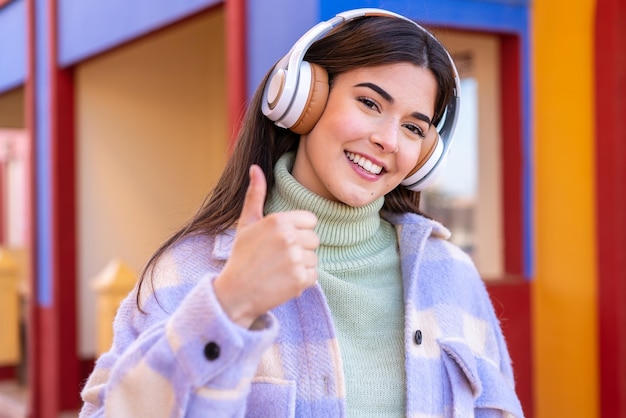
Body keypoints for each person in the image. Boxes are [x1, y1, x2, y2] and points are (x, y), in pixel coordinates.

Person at [79, 8, 524, 418]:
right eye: (369, 103)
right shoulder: (188, 272)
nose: (389, 139)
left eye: (412, 127)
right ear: (303, 99)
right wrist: (228, 305)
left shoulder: (451, 275)